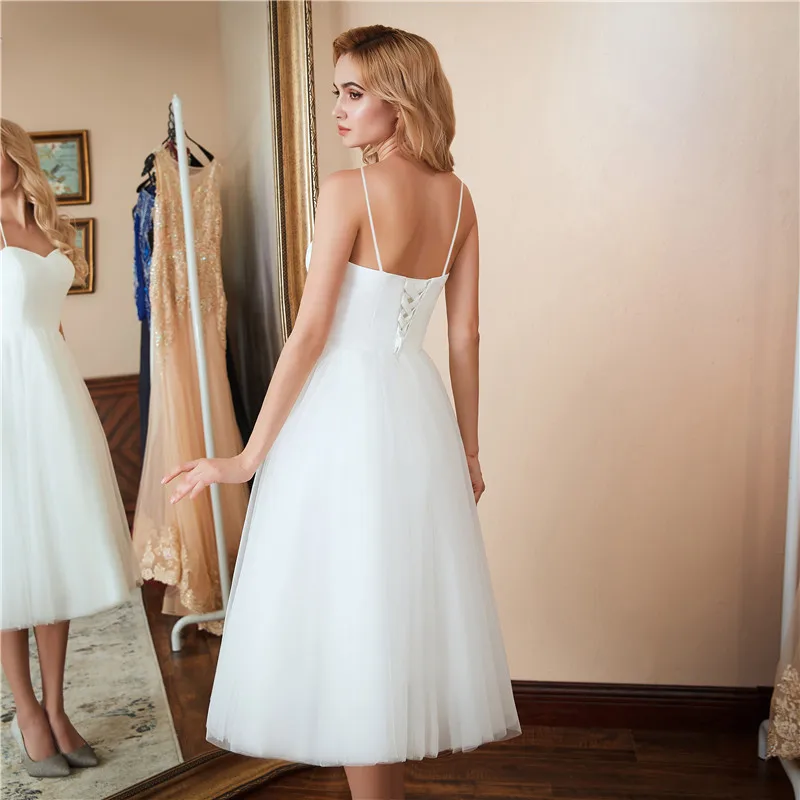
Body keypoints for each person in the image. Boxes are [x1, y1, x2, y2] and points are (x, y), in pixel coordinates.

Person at [164, 25, 520, 800]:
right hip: (417, 418)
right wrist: (468, 452)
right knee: (383, 613)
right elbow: (464, 338)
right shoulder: (459, 199)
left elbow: (310, 333)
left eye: (354, 93)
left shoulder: (348, 191)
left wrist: (246, 458)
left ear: (401, 98)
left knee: (353, 613)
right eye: (336, 93)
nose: (339, 109)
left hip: (344, 419)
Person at [0, 118, 140, 778]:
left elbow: (52, 325)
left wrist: (66, 398)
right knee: (9, 560)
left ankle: (58, 708)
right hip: (5, 400)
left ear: (14, 155)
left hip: (52, 394)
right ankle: (27, 712)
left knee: (51, 556)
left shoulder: (49, 227)